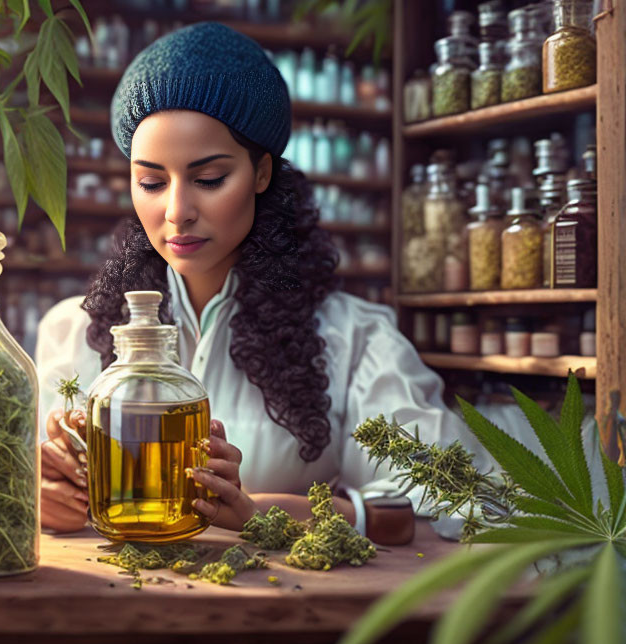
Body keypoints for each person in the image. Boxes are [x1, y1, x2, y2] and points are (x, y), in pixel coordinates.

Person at [37, 22, 488, 540]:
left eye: (208, 179)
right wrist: (44, 492)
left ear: (262, 174)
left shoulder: (352, 342)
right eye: (152, 182)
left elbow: (464, 503)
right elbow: (16, 488)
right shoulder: (73, 334)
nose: (177, 211)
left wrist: (270, 514)